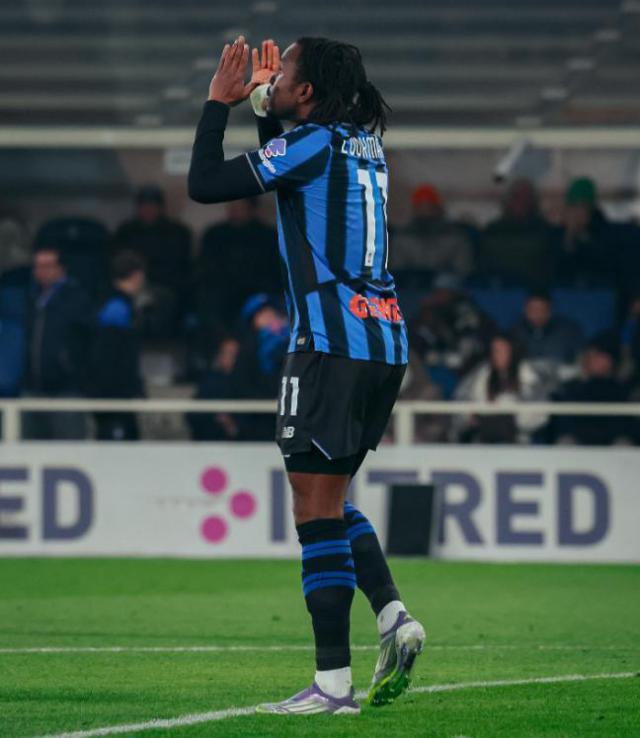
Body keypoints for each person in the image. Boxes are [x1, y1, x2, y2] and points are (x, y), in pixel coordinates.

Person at [188, 36, 424, 715]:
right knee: (331, 495)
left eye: (285, 70)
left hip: (328, 342)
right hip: (381, 341)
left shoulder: (313, 144)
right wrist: (268, 110)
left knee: (314, 509)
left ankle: (333, 685)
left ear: (309, 91)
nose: (274, 75)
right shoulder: (361, 145)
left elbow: (204, 185)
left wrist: (220, 103)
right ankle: (392, 616)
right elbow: (288, 175)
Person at [22, 246, 92, 439]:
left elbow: (87, 341)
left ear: (61, 268)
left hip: (66, 390)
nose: (41, 271)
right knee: (30, 450)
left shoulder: (77, 298)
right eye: (37, 266)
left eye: (47, 266)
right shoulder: (32, 298)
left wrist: (70, 367)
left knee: (67, 450)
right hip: (33, 389)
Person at [112, 185, 192, 335]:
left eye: (152, 205)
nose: (148, 210)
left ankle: (158, 337)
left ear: (160, 207)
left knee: (161, 299)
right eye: (144, 205)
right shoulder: (126, 231)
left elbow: (179, 265)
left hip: (165, 284)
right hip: (132, 282)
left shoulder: (176, 232)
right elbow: (119, 262)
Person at [197, 197, 281, 332]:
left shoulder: (267, 235)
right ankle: (225, 341)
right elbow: (206, 266)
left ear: (252, 209)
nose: (234, 211)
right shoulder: (215, 234)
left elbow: (274, 270)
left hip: (257, 289)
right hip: (222, 289)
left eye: (240, 208)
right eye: (232, 207)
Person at [453, 333, 551, 444]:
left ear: (513, 351)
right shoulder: (483, 373)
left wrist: (509, 419)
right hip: (484, 438)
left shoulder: (528, 374)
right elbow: (465, 400)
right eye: (494, 350)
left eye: (502, 351)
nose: (497, 355)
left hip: (519, 440)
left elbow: (540, 412)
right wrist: (473, 416)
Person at [89, 251, 146, 441]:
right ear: (137, 275)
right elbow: (114, 357)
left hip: (113, 395)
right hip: (114, 398)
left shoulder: (112, 303)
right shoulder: (117, 309)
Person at [551, 333, 633, 445]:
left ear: (611, 360)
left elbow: (625, 426)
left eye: (598, 356)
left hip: (612, 443)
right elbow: (565, 425)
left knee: (624, 445)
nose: (590, 360)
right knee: (565, 443)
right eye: (589, 355)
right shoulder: (571, 387)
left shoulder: (625, 390)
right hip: (579, 442)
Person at [390, 183, 474, 287]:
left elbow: (463, 270)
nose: (425, 212)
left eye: (429, 207)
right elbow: (398, 270)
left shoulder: (456, 237)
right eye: (420, 207)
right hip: (411, 287)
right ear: (414, 210)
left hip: (447, 289)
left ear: (438, 208)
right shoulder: (402, 237)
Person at [477, 178, 553, 288]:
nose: (521, 202)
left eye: (526, 198)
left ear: (533, 202)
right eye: (517, 197)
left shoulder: (545, 231)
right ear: (508, 200)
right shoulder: (493, 230)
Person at [511, 291, 584, 366]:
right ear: (524, 309)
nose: (537, 314)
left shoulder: (568, 331)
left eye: (542, 309)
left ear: (550, 310)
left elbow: (581, 358)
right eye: (532, 309)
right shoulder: (515, 332)